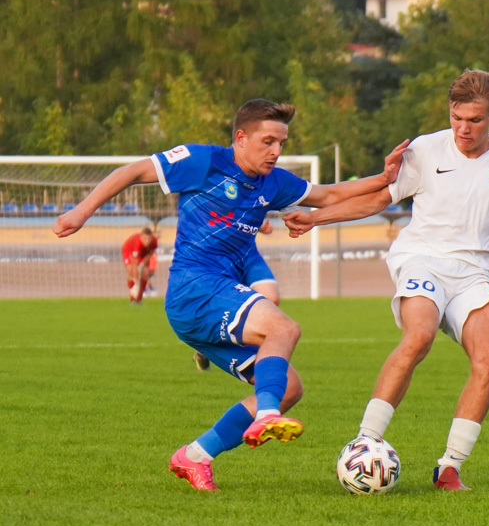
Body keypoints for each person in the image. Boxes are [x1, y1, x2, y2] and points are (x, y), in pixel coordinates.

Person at [53, 98, 402, 491]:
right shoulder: (204, 162)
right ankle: (266, 415)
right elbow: (133, 170)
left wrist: (384, 177)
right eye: (268, 141)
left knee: (288, 388)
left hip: (212, 298)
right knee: (284, 329)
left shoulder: (274, 181)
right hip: (194, 287)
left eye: (282, 143)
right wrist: (81, 212)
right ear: (241, 137)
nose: (276, 151)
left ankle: (195, 456)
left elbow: (330, 195)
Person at [283, 69, 489, 491]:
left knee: (487, 356)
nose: (463, 128)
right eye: (456, 117)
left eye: (475, 120)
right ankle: (365, 442)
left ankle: (449, 467)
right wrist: (317, 218)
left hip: (472, 273)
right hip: (422, 260)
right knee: (419, 336)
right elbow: (379, 198)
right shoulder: (425, 149)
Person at [192, 218, 277, 372]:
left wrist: (260, 224)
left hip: (249, 255)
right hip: (222, 257)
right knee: (226, 304)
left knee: (271, 299)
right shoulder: (214, 198)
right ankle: (209, 344)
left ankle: (253, 352)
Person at [122, 227, 158, 303]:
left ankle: (139, 298)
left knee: (145, 273)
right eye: (144, 239)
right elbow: (134, 264)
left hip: (143, 254)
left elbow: (150, 254)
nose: (147, 241)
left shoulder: (154, 242)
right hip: (128, 251)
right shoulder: (137, 243)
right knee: (132, 272)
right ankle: (132, 297)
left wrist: (142, 264)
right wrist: (136, 283)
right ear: (141, 237)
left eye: (149, 239)